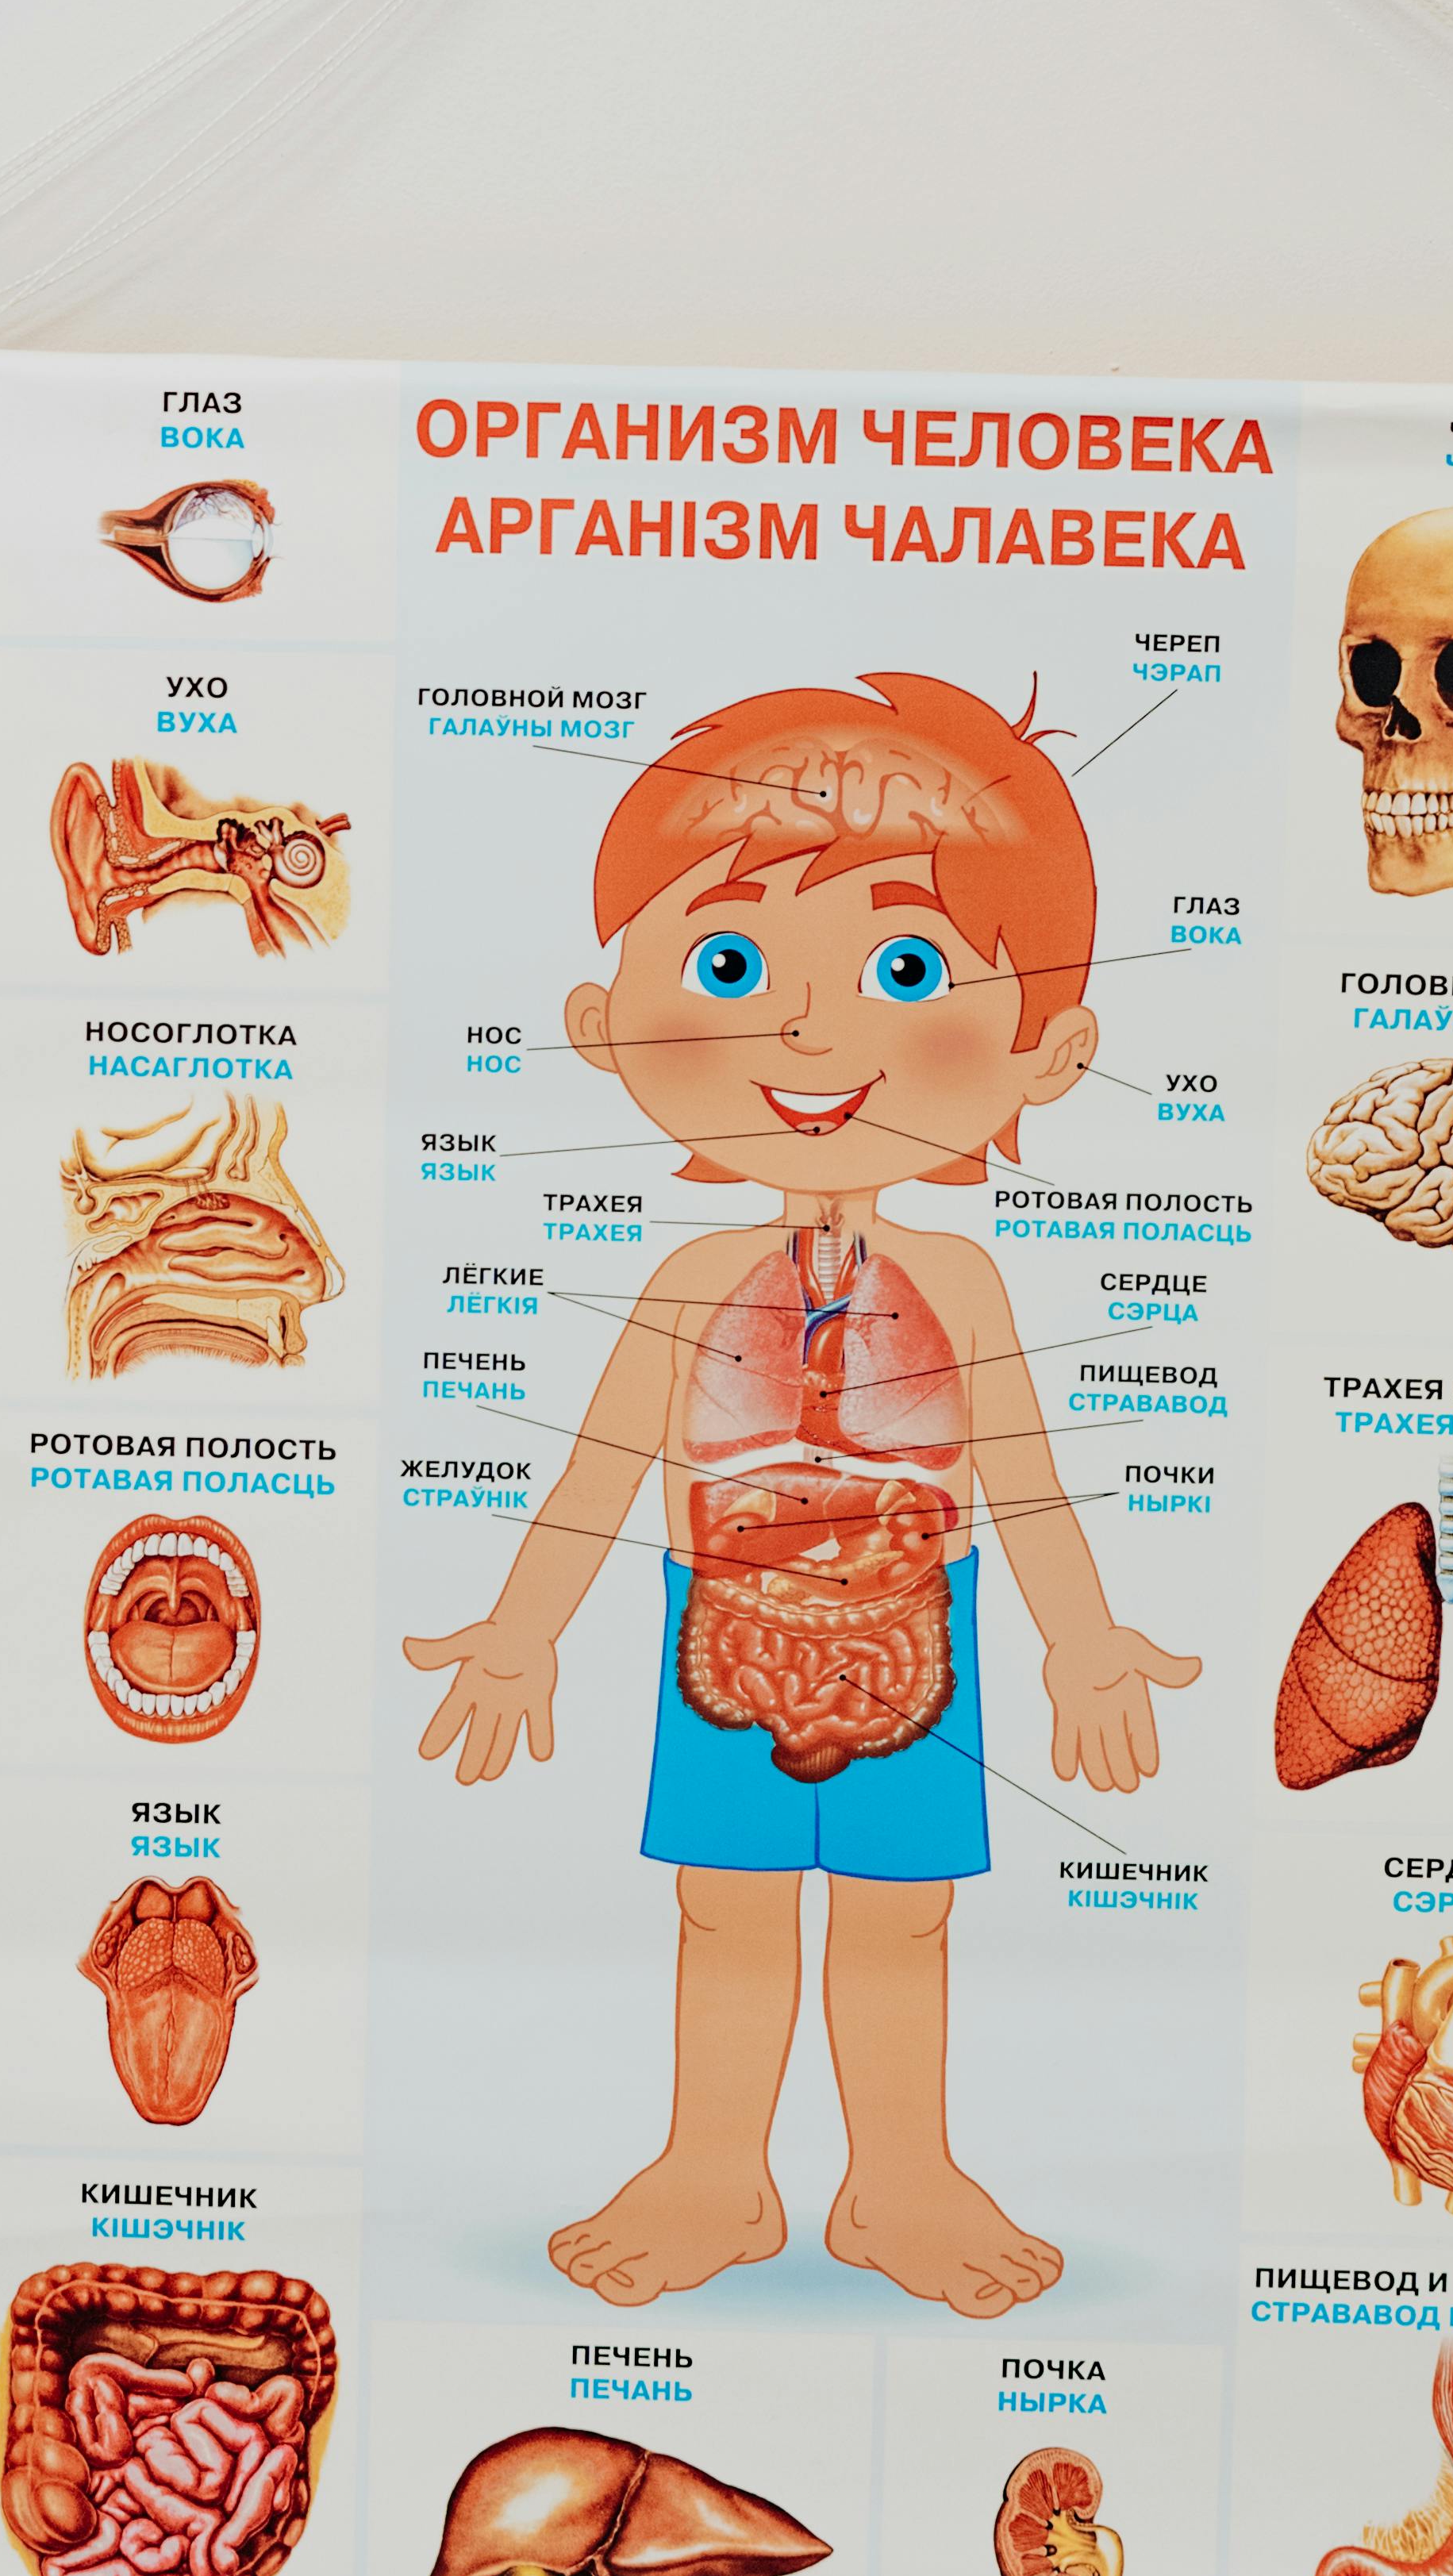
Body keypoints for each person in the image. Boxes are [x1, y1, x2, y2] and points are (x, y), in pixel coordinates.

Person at [406, 671, 1196, 2318]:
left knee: (905, 1919)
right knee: (725, 1911)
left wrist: (1082, 1642)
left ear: (1051, 1051)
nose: (813, 1037)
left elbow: (1027, 1482)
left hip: (925, 1617)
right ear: (606, 1020)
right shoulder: (689, 1281)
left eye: (907, 971)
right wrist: (520, 1629)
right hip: (715, 1610)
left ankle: (897, 2180)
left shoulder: (962, 1283)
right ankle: (717, 2173)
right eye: (729, 967)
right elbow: (602, 1466)